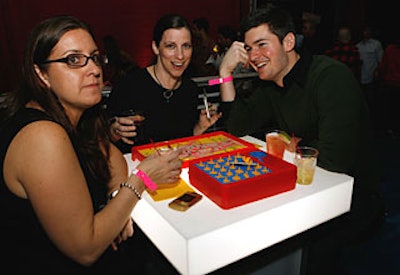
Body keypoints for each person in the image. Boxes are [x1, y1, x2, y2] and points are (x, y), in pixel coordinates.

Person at [0, 15, 183, 274]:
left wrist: (116, 202)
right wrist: (142, 179)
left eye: (95, 57)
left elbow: (114, 161)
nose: (94, 69)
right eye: (73, 60)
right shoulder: (42, 136)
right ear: (41, 73)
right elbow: (85, 249)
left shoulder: (80, 119)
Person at [218, 6, 384, 275]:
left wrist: (293, 145)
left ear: (289, 42)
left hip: (351, 201)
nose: (253, 56)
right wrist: (225, 72)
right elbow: (236, 128)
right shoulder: (271, 84)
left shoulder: (331, 76)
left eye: (261, 45)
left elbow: (334, 160)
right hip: (308, 188)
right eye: (248, 49)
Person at [106, 14, 221, 154]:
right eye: (171, 46)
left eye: (186, 46)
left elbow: (182, 143)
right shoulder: (129, 86)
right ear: (156, 47)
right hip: (137, 171)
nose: (180, 55)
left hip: (173, 171)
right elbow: (103, 140)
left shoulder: (190, 89)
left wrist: (199, 128)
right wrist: (114, 131)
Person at [376, 34, 400, 136]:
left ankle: (390, 128)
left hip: (390, 82)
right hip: (392, 82)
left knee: (390, 108)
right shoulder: (390, 50)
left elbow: (383, 66)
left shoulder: (389, 49)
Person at [356, 26, 384, 110]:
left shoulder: (376, 44)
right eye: (364, 31)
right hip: (360, 77)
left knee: (371, 99)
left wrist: (377, 71)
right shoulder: (357, 46)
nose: (366, 32)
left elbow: (381, 60)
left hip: (372, 76)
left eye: (368, 30)